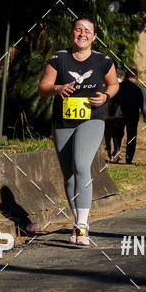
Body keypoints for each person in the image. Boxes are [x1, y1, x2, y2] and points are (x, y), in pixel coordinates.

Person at [38, 16, 119, 246]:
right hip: (63, 121)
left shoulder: (103, 61)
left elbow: (114, 84)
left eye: (87, 31)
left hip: (91, 119)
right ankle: (77, 221)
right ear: (71, 33)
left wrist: (105, 96)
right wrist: (57, 88)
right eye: (77, 29)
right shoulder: (58, 59)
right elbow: (42, 88)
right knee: (69, 173)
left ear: (94, 36)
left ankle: (83, 225)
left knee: (81, 164)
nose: (82, 34)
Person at [110, 69, 146, 164]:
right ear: (135, 77)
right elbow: (143, 105)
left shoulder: (119, 86)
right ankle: (129, 158)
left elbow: (113, 100)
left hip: (119, 114)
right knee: (132, 136)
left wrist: (111, 112)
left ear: (126, 76)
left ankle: (117, 150)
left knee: (117, 134)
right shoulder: (139, 88)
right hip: (133, 115)